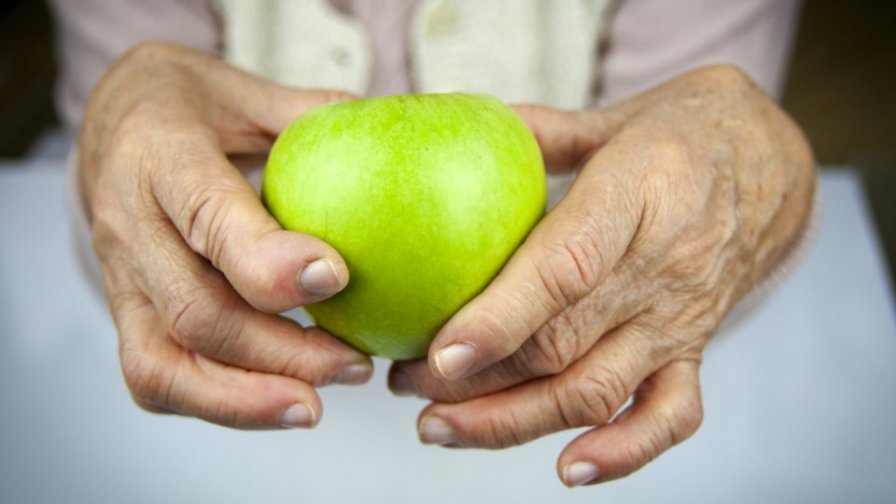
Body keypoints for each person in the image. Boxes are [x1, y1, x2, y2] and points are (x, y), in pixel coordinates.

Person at [49, 0, 816, 488]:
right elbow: (131, 217)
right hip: (238, 463)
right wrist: (115, 150)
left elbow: (689, 216)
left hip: (579, 435)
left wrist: (750, 179)